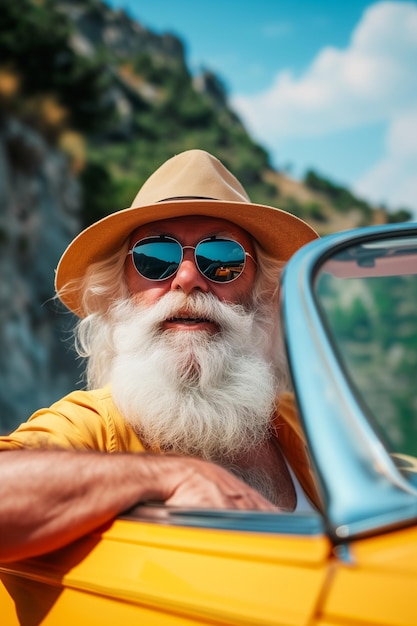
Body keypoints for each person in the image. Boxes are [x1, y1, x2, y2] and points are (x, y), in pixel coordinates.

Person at [0, 149, 319, 563]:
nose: (187, 279)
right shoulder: (93, 427)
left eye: (222, 261)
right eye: (156, 259)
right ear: (119, 294)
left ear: (259, 293)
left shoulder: (300, 422)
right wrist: (169, 476)